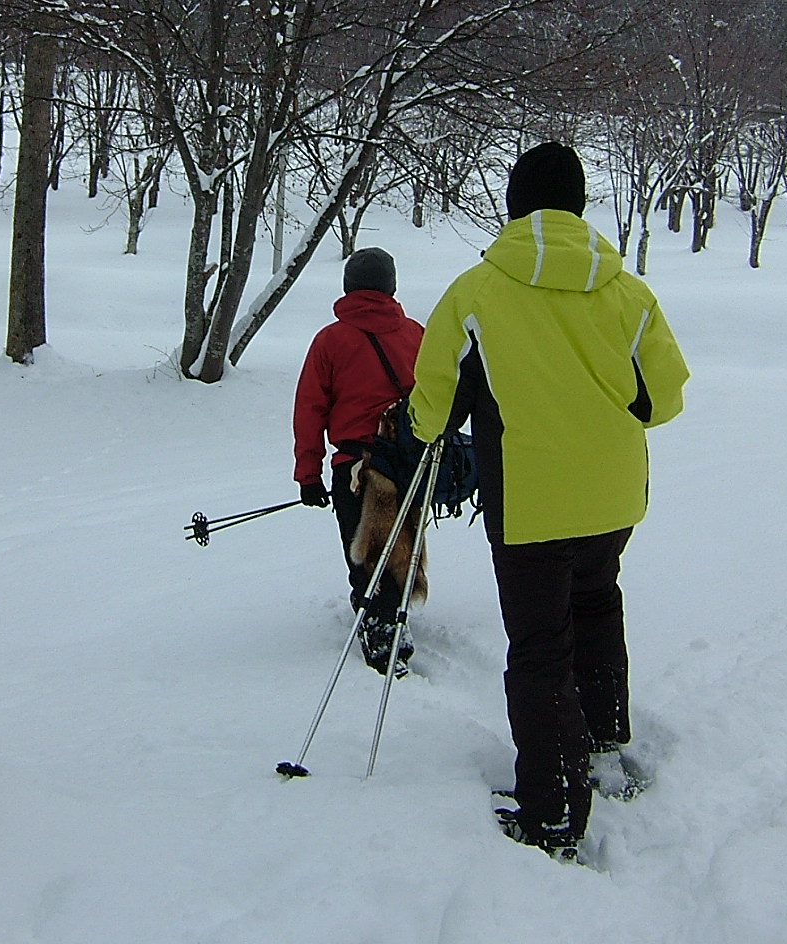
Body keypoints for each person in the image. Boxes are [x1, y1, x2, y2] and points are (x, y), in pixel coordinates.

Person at [409, 142, 689, 857]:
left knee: (540, 646)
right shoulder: (627, 292)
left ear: (515, 205)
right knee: (596, 604)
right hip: (613, 499)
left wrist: (431, 425)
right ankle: (603, 743)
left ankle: (554, 811)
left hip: (529, 504)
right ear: (578, 205)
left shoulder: (476, 292)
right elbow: (664, 399)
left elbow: (433, 406)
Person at [293, 247, 426, 675]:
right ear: (391, 286)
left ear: (348, 285)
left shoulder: (330, 340)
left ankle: (382, 629)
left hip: (355, 468)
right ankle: (389, 609)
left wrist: (308, 474)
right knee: (401, 540)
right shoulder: (416, 334)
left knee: (364, 549)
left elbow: (310, 410)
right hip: (410, 465)